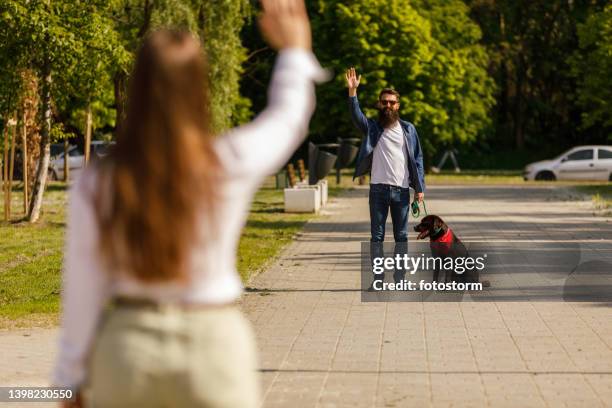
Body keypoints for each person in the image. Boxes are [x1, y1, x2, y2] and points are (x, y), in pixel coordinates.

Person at [53, 1, 327, 406]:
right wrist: (294, 51)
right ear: (199, 87)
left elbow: (81, 286)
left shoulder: (100, 181)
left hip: (127, 348)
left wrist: (68, 379)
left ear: (138, 88)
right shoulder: (227, 161)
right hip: (213, 345)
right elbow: (287, 118)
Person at [346, 67, 426, 245]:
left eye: (391, 102)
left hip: (402, 190)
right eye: (384, 102)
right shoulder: (372, 127)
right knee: (377, 237)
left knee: (402, 237)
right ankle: (378, 274)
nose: (388, 105)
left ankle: (400, 274)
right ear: (379, 104)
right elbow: (356, 116)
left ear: (397, 105)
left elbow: (418, 159)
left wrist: (420, 188)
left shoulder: (408, 129)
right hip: (378, 190)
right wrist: (353, 91)